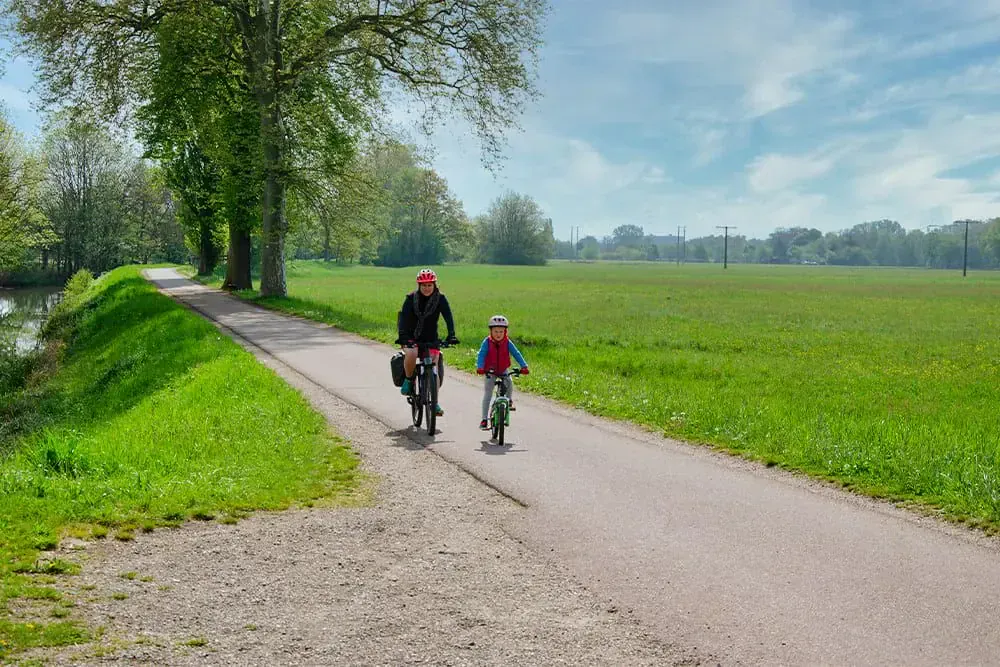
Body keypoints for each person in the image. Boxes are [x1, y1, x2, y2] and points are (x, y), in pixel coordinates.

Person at [395, 268, 458, 416]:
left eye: (430, 285)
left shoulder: (440, 299)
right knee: (412, 353)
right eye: (424, 285)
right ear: (419, 285)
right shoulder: (411, 298)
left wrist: (451, 335)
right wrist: (403, 336)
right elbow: (403, 319)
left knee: (434, 365)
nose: (427, 288)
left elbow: (448, 317)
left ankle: (434, 402)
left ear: (434, 285)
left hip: (430, 338)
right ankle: (409, 380)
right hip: (410, 337)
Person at [476, 314, 529, 430]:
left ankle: (509, 401)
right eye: (496, 331)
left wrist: (524, 366)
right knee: (488, 393)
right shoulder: (487, 342)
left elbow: (516, 353)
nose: (498, 334)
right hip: (490, 371)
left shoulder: (507, 342)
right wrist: (480, 367)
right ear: (491, 331)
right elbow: (481, 355)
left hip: (503, 369)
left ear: (505, 332)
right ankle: (484, 419)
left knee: (509, 382)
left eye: (501, 331)